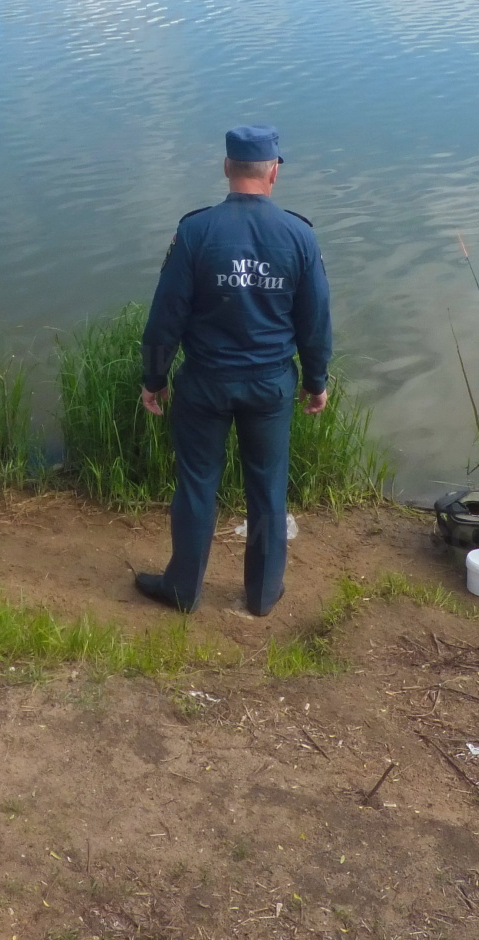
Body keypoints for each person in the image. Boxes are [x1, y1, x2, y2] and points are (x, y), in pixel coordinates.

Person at [133, 125, 332, 617]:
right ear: (274, 172)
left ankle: (183, 589)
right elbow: (316, 320)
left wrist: (154, 379)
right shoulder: (299, 235)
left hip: (205, 383)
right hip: (270, 386)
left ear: (226, 167)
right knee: (268, 486)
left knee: (197, 483)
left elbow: (165, 317)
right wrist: (316, 380)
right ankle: (263, 594)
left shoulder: (196, 231)